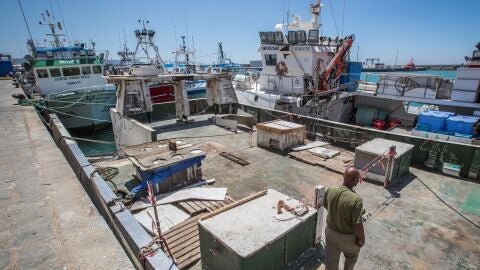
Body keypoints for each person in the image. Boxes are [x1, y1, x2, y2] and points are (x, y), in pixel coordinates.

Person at [323, 166, 365, 270]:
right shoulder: (357, 200)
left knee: (331, 263)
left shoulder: (331, 189)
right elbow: (357, 224)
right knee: (351, 259)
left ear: (343, 176)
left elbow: (325, 205)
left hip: (330, 233)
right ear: (355, 180)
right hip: (347, 238)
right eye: (358, 178)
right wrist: (362, 239)